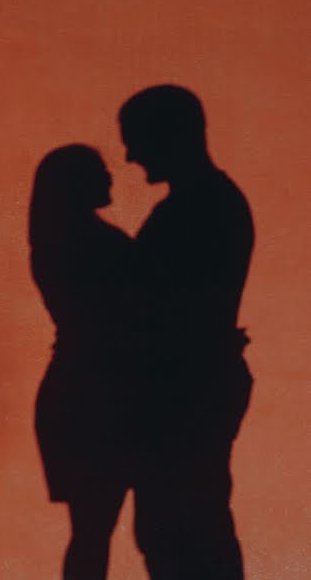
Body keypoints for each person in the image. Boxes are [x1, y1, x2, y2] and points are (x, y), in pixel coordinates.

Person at [121, 85, 254, 579]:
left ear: (170, 135)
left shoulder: (197, 209)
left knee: (185, 529)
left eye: (135, 139)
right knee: (187, 526)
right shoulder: (208, 203)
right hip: (196, 384)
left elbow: (175, 310)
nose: (131, 154)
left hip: (190, 389)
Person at [29, 145, 137, 579]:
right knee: (96, 531)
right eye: (100, 171)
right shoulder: (102, 243)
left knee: (91, 531)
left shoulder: (53, 244)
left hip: (75, 388)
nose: (111, 178)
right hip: (103, 392)